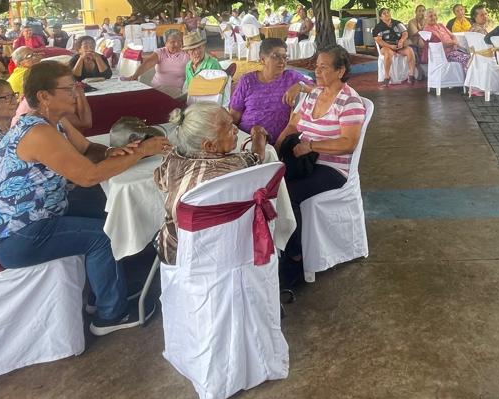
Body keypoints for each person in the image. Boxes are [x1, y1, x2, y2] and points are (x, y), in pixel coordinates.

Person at [0, 61, 169, 335]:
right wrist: (141, 152)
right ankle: (110, 315)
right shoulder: (38, 132)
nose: (76, 95)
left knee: (105, 210)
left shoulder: (49, 122)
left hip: (31, 218)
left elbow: (87, 148)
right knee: (104, 234)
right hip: (17, 236)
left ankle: (104, 289)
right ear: (44, 96)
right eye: (69, 90)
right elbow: (89, 176)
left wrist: (110, 153)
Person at [274, 46, 365, 288]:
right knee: (270, 185)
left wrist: (312, 146)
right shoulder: (314, 94)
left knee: (287, 195)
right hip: (304, 161)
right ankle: (278, 248)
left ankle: (296, 255)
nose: (317, 71)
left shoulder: (350, 101)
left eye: (323, 67)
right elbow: (293, 125)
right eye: (316, 66)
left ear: (340, 71)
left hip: (332, 168)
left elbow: (348, 143)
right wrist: (276, 149)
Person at [152, 104, 268, 265]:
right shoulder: (235, 164)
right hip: (223, 252)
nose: (236, 129)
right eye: (229, 128)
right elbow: (257, 157)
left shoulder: (172, 160)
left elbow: (160, 181)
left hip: (174, 250)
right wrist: (259, 137)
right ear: (209, 146)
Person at [229, 37, 310, 137]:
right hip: (246, 138)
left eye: (285, 57)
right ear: (262, 59)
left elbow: (319, 89)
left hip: (274, 141)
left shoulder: (291, 77)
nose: (282, 61)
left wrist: (301, 86)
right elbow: (234, 115)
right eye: (276, 56)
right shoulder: (247, 81)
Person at [137, 28, 190, 94]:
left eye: (179, 41)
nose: (177, 44)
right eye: (173, 42)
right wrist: (134, 76)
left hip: (176, 91)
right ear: (166, 43)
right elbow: (148, 63)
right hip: (156, 89)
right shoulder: (160, 52)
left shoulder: (186, 54)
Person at [373, 7, 415, 84]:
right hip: (386, 46)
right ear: (381, 17)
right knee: (388, 53)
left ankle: (411, 74)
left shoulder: (397, 23)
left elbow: (405, 33)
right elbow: (379, 40)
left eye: (388, 12)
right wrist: (390, 46)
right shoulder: (378, 27)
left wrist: (401, 41)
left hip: (398, 46)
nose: (387, 14)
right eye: (384, 13)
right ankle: (387, 76)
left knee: (410, 50)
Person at [407, 4, 428, 73]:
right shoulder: (411, 22)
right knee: (421, 40)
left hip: (425, 40)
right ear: (415, 12)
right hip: (414, 41)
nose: (421, 13)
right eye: (419, 11)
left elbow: (429, 31)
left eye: (423, 11)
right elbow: (416, 33)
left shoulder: (427, 21)